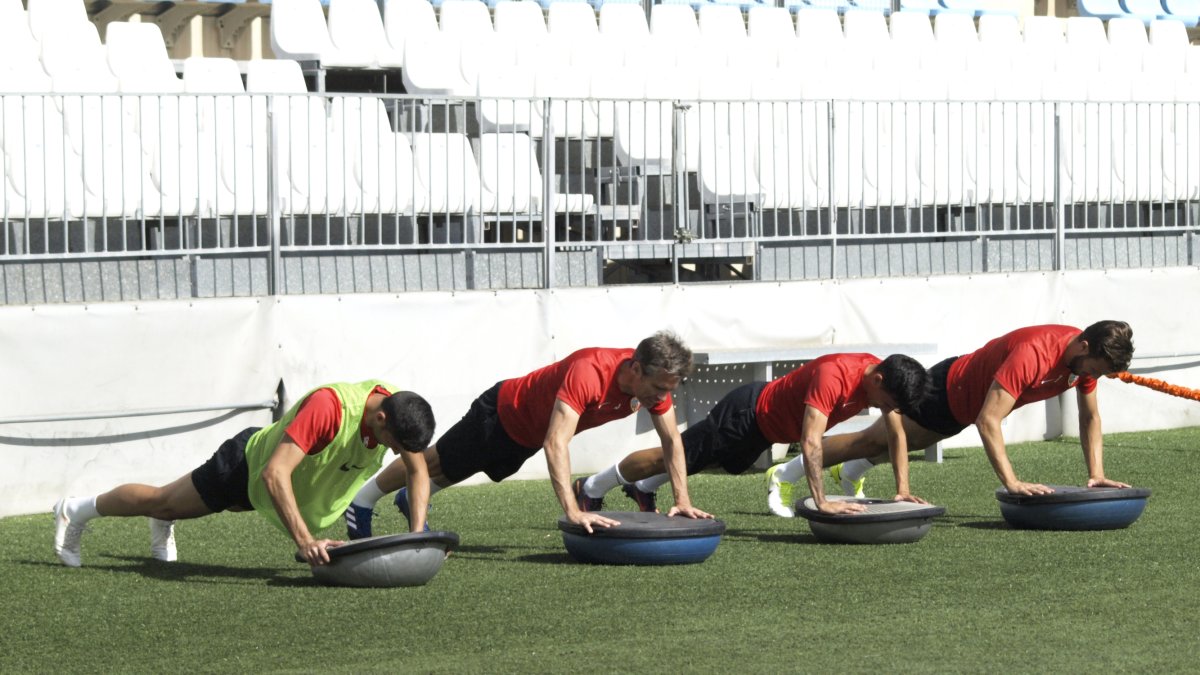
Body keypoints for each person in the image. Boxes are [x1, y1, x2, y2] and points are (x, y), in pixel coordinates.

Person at [343, 331, 711, 539]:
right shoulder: (590, 371)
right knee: (434, 460)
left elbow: (671, 441)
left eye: (668, 391)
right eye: (659, 389)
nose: (662, 398)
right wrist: (572, 510)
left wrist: (682, 499)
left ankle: (411, 499)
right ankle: (362, 501)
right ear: (636, 369)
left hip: (524, 438)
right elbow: (556, 442)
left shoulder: (655, 388)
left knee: (461, 468)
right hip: (500, 414)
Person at [52, 381, 435, 568]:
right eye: (394, 444)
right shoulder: (329, 408)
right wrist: (305, 541)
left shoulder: (398, 411)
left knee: (204, 506)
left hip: (282, 486)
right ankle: (76, 509)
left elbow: (417, 470)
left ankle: (162, 520)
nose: (395, 452)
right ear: (380, 418)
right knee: (163, 502)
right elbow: (274, 474)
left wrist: (416, 538)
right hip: (245, 466)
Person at [576, 353, 930, 518]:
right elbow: (810, 441)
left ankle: (643, 487)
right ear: (877, 380)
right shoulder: (834, 376)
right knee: (672, 455)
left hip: (762, 431)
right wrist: (821, 501)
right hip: (746, 414)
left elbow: (896, 433)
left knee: (705, 462)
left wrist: (902, 489)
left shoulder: (883, 378)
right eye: (886, 403)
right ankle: (591, 486)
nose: (884, 409)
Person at [821, 321, 1135, 497]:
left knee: (908, 442)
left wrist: (1096, 474)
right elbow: (988, 421)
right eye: (1094, 370)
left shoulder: (1083, 362)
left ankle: (848, 471)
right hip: (947, 389)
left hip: (964, 409)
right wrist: (1012, 482)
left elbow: (1089, 417)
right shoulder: (1034, 353)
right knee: (875, 440)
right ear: (1083, 346)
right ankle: (798, 465)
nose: (1092, 377)